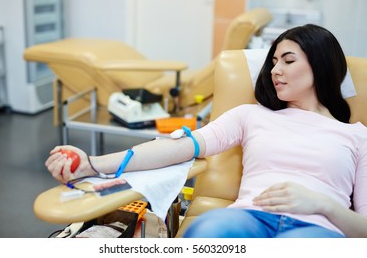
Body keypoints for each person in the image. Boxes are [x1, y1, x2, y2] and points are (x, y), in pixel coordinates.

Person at [45, 24, 367, 238]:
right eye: (272, 63)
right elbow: (182, 146)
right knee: (208, 232)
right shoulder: (252, 115)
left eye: (287, 60)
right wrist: (93, 163)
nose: (275, 71)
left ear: (321, 63)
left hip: (317, 228)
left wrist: (322, 204)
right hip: (247, 219)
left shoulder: (356, 136)